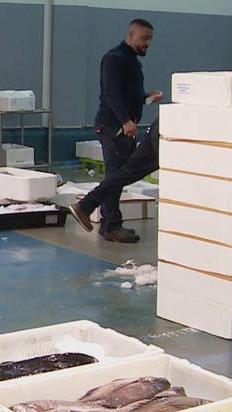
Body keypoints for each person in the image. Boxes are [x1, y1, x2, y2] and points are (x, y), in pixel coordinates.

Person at [68, 18, 162, 243]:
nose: (147, 43)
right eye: (143, 38)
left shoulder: (132, 62)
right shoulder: (114, 58)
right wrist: (125, 121)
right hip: (113, 128)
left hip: (122, 127)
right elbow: (111, 93)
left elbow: (127, 94)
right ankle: (100, 217)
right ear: (130, 35)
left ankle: (109, 224)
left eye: (150, 39)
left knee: (120, 174)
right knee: (120, 174)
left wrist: (146, 97)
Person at [66, 119, 160, 224]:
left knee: (127, 172)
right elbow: (112, 101)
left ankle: (89, 207)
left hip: (159, 126)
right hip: (115, 127)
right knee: (124, 172)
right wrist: (126, 120)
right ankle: (109, 223)